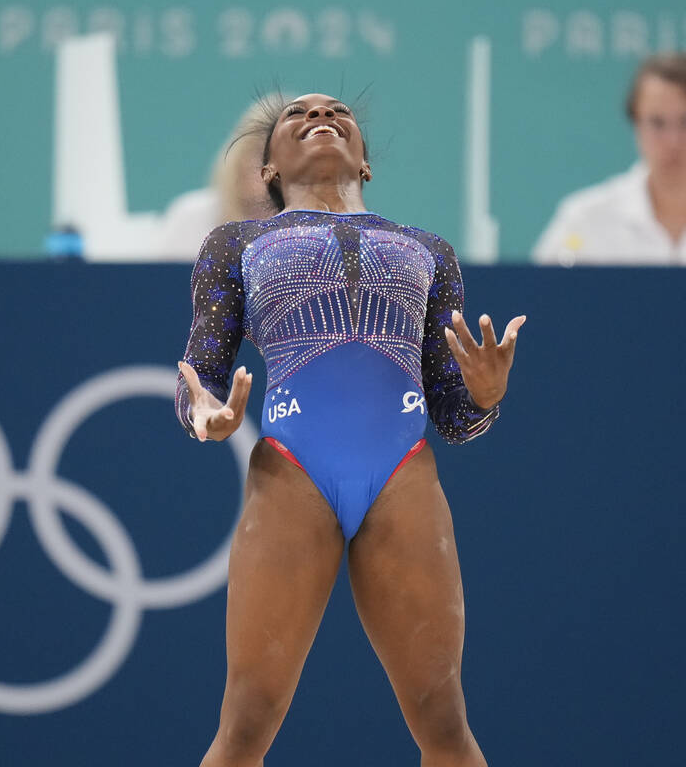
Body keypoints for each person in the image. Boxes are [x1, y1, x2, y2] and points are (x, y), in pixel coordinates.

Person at [176, 93, 526, 766]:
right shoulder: (236, 244)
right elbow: (201, 370)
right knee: (247, 723)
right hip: (290, 469)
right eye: (295, 117)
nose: (318, 115)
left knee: (445, 723)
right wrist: (205, 416)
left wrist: (485, 396)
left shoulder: (430, 251)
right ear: (270, 168)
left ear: (364, 160)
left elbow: (454, 415)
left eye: (336, 110)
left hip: (402, 472)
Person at [532, 52, 686, 265]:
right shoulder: (584, 220)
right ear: (636, 122)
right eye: (657, 123)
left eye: (685, 122)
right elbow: (539, 294)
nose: (673, 141)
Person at [152, 97, 286, 261]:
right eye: (261, 154)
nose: (272, 168)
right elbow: (161, 283)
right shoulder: (193, 218)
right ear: (238, 159)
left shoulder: (321, 231)